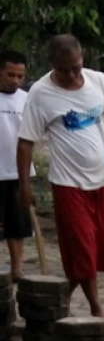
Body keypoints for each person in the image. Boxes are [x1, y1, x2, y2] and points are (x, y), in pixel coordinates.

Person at [17, 34, 104, 316]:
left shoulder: (99, 82)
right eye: (64, 69)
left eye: (76, 67)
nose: (72, 75)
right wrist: (25, 184)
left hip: (103, 180)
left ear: (83, 59)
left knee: (103, 243)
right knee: (82, 246)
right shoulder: (40, 94)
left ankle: (59, 297)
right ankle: (97, 308)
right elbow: (25, 142)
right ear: (51, 65)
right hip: (68, 184)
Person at [0, 50, 33, 281]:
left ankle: (17, 268)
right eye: (10, 74)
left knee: (17, 223)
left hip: (18, 170)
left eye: (19, 76)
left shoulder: (27, 99)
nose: (15, 80)